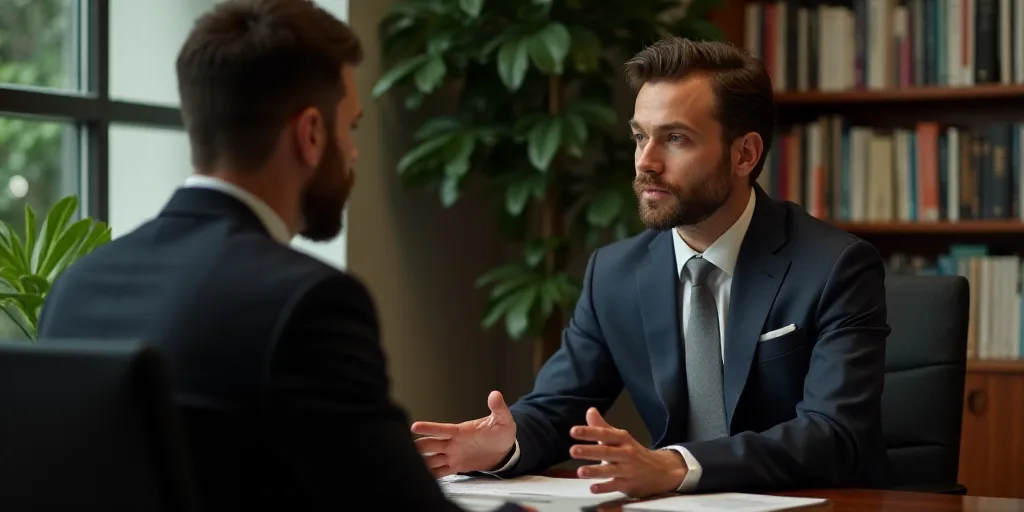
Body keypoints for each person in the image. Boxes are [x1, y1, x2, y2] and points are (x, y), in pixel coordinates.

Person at [36, 1, 525, 511]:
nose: (353, 152)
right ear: (311, 134)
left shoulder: (76, 285)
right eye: (350, 129)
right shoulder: (307, 303)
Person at [411, 37, 892, 498]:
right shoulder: (614, 273)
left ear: (745, 153)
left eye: (676, 139)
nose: (646, 162)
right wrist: (505, 446)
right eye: (640, 136)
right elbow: (559, 409)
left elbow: (834, 434)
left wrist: (676, 465)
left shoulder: (834, 266)